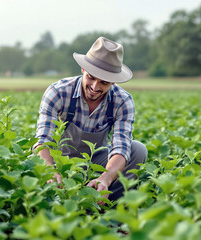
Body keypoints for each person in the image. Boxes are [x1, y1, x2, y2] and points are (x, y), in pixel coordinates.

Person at [33, 36, 148, 203]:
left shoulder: (122, 101)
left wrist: (106, 178)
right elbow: (43, 141)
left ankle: (109, 208)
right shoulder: (58, 92)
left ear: (113, 82)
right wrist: (50, 170)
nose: (95, 87)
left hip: (96, 161)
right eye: (91, 77)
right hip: (59, 160)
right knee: (38, 166)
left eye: (104, 82)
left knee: (138, 150)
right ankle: (56, 204)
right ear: (82, 69)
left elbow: (121, 147)